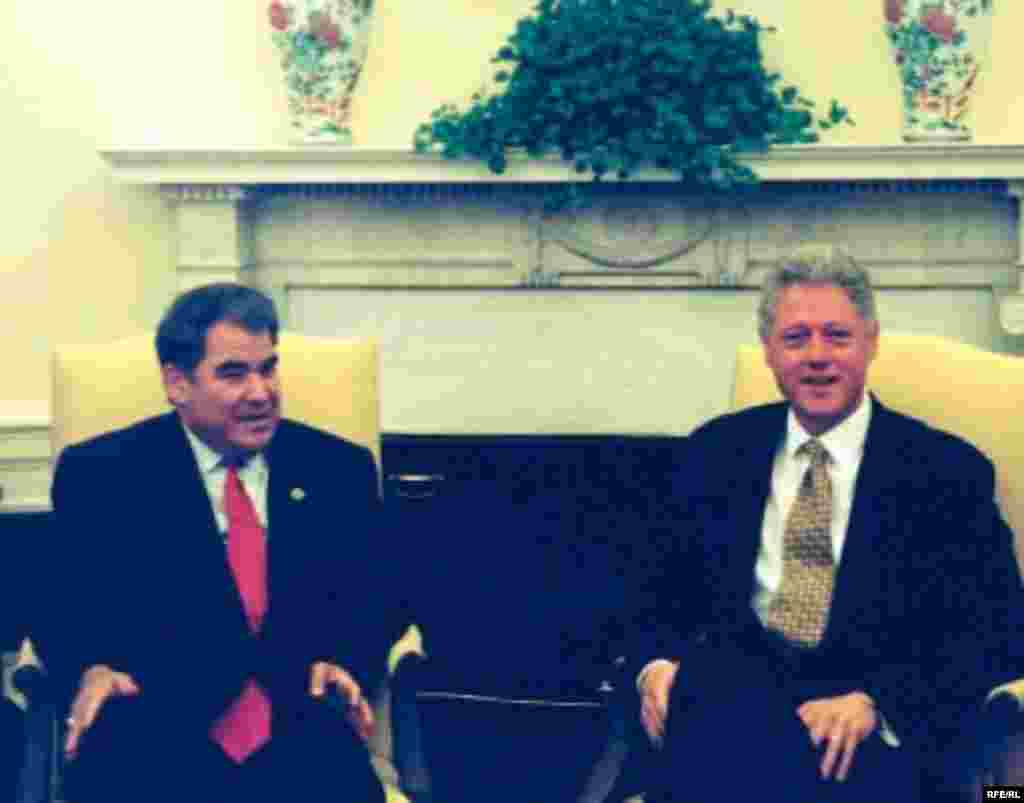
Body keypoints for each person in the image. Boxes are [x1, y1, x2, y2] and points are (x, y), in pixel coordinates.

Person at [632, 244, 1022, 803]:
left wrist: (879, 703)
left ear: (870, 343)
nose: (817, 356)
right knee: (716, 703)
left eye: (837, 336)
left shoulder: (946, 471)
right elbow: (647, 592)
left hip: (864, 732)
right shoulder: (713, 452)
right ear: (769, 351)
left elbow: (1000, 628)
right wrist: (652, 669)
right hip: (734, 703)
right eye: (796, 338)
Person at [50, 283, 401, 803]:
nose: (261, 392)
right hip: (155, 735)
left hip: (300, 730)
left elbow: (379, 596)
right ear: (177, 382)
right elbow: (61, 602)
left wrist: (346, 659)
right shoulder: (101, 473)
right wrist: (89, 669)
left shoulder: (337, 469)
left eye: (269, 368)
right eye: (234, 374)